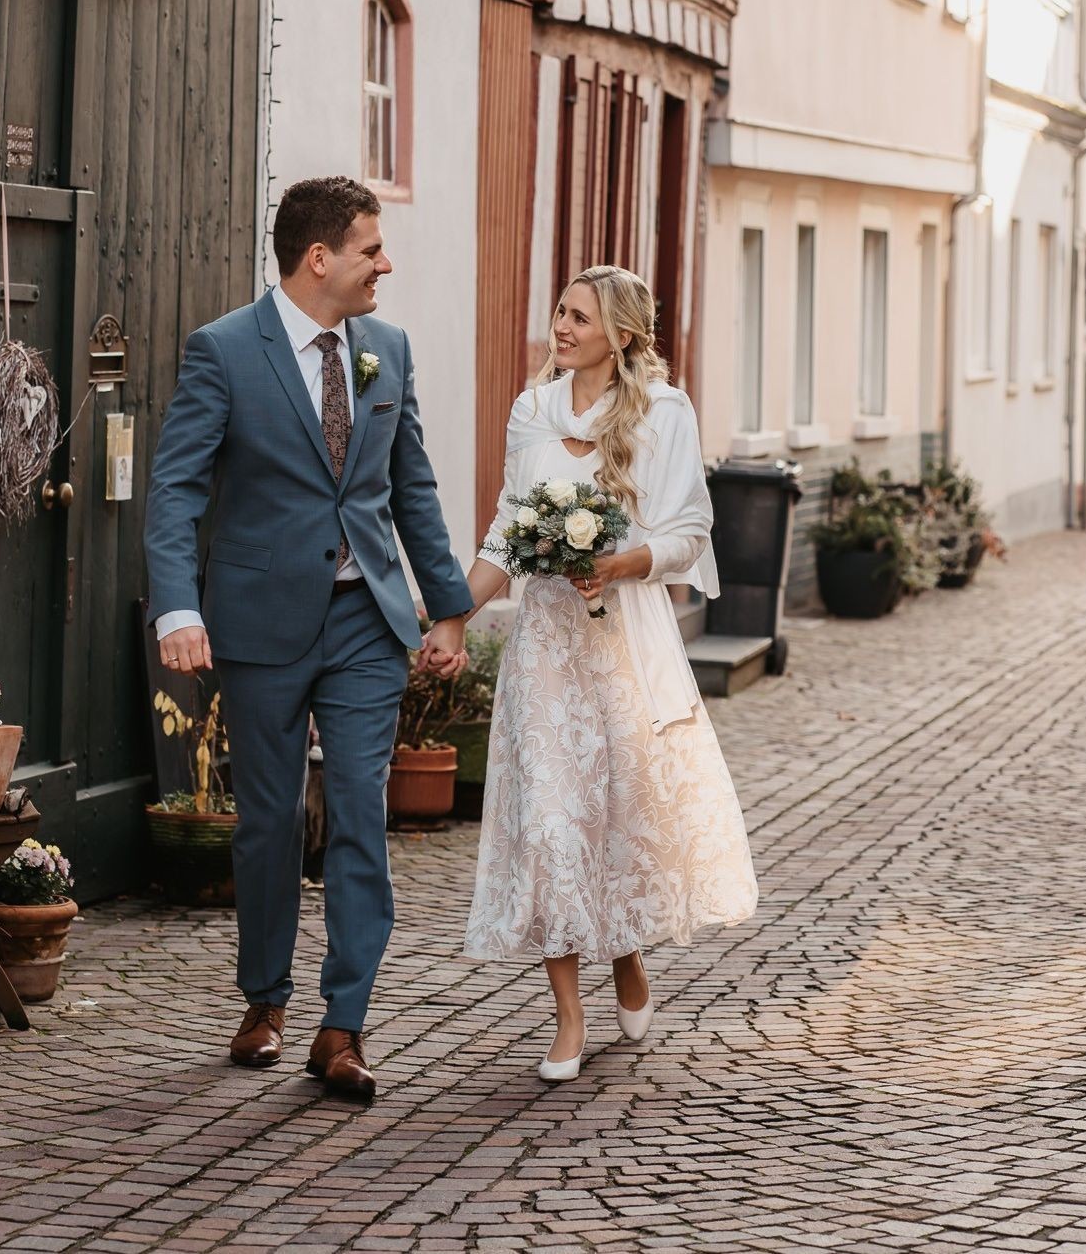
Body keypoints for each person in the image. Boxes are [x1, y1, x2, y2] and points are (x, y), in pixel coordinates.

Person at [145, 176, 472, 1102]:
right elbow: (176, 492)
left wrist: (443, 604)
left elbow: (413, 485)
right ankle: (264, 998)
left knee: (362, 813)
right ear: (318, 256)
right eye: (372, 247)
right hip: (256, 622)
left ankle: (342, 1025)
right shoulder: (223, 352)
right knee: (270, 819)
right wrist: (178, 608)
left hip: (365, 619)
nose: (386, 264)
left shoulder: (388, 350)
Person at [462, 264, 758, 1081]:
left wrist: (623, 561)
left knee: (615, 816)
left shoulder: (662, 411)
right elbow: (503, 533)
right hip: (546, 648)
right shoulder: (532, 408)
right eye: (559, 311)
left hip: (622, 639)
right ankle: (566, 1013)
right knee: (553, 823)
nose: (560, 327)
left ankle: (625, 950)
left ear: (620, 335)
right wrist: (450, 612)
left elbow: (689, 530)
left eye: (579, 318)